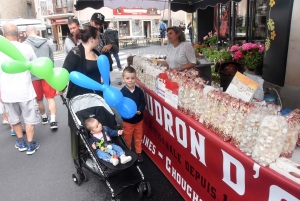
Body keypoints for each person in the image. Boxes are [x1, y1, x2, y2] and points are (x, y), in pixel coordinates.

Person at [60, 26, 104, 163]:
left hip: (95, 96)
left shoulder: (96, 52)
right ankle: (80, 154)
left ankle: (98, 150)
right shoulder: (75, 53)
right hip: (78, 96)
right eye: (98, 37)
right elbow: (64, 72)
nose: (99, 40)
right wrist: (60, 87)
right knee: (80, 124)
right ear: (92, 38)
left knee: (95, 124)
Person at [0, 23, 41, 154]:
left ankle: (20, 142)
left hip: (8, 91)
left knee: (14, 118)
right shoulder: (27, 48)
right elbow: (34, 65)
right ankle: (30, 144)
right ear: (18, 34)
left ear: (3, 34)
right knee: (29, 117)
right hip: (25, 90)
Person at [23, 25, 58, 130]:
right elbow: (52, 59)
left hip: (34, 75)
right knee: (50, 98)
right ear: (37, 32)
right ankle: (53, 120)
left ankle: (44, 117)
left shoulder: (25, 45)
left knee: (39, 99)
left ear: (27, 33)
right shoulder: (46, 42)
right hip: (47, 74)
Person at [121, 67, 146, 163]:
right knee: (127, 137)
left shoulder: (139, 91)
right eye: (127, 78)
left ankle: (139, 152)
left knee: (138, 137)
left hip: (139, 120)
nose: (130, 80)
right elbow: (121, 106)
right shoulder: (122, 93)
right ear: (123, 79)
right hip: (128, 121)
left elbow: (142, 103)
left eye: (132, 78)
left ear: (136, 78)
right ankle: (128, 152)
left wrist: (140, 109)